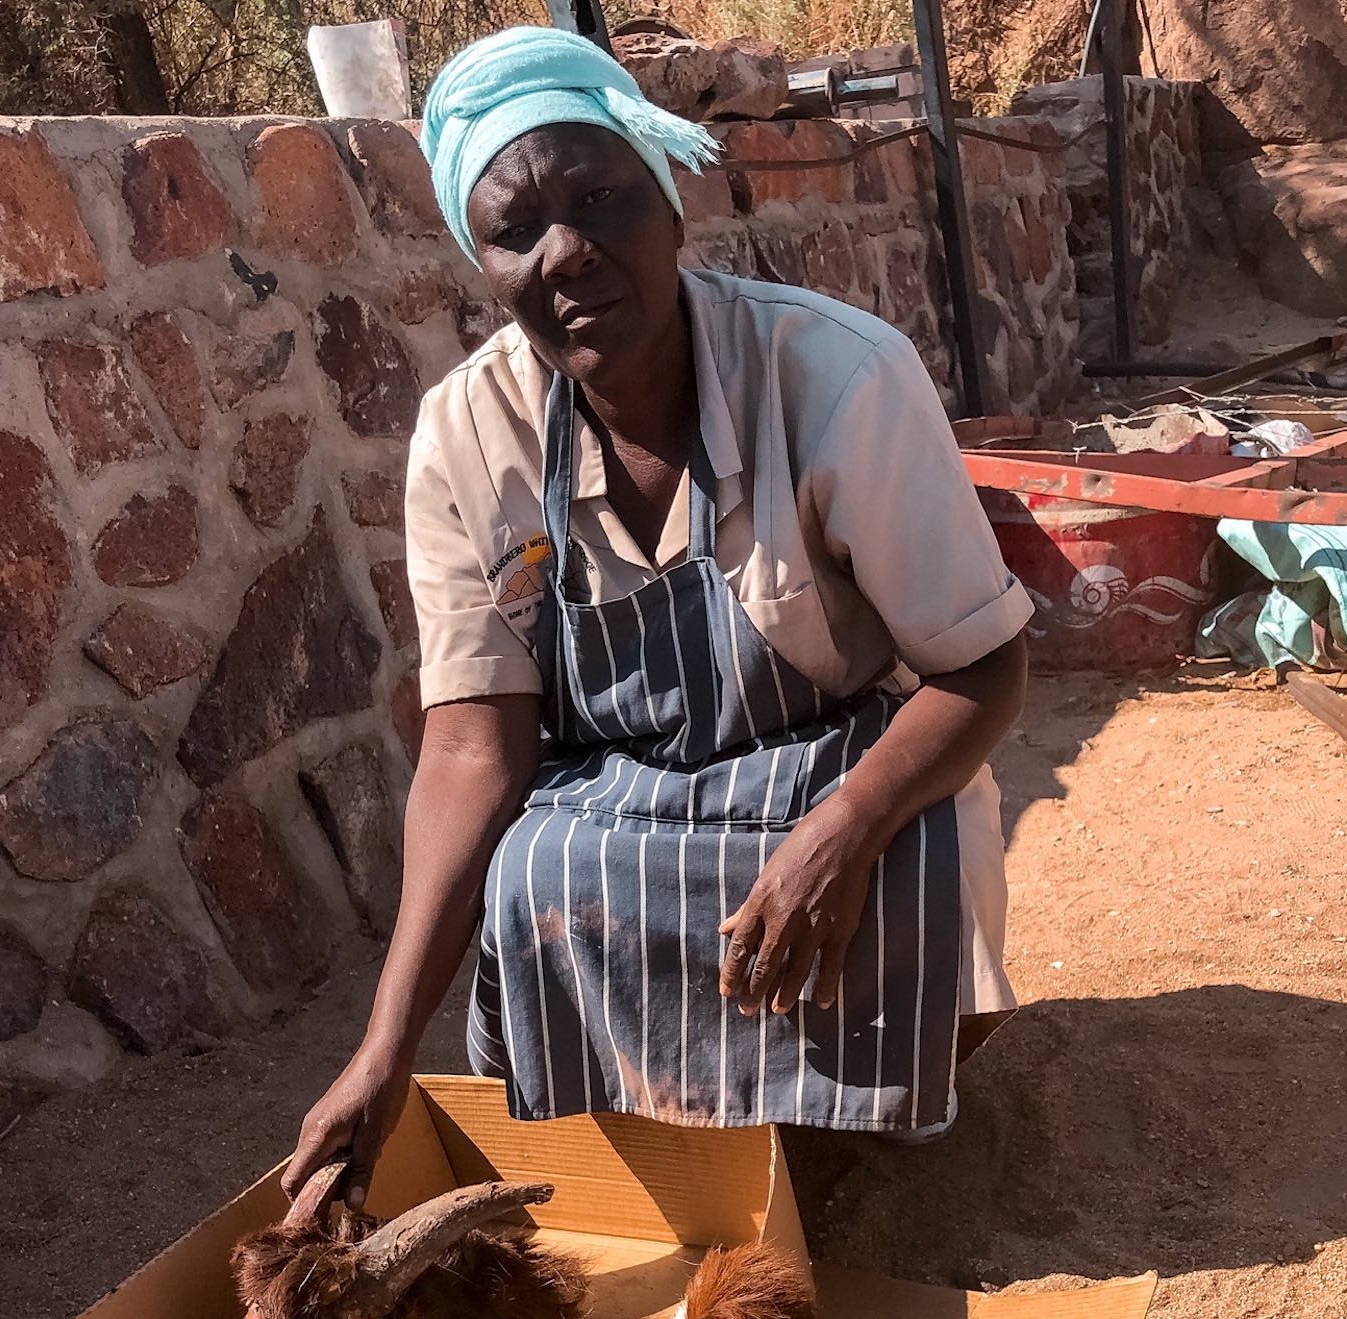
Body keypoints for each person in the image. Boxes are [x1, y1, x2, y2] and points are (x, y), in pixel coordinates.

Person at [287, 25, 1032, 1206]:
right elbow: (475, 748)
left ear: (671, 203)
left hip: (834, 761)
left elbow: (983, 671)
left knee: (910, 851)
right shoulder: (467, 436)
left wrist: (843, 832)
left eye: (601, 199)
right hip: (622, 794)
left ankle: (848, 1114)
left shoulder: (836, 375)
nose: (568, 252)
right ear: (481, 266)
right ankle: (681, 1129)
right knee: (533, 870)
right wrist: (384, 1050)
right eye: (516, 230)